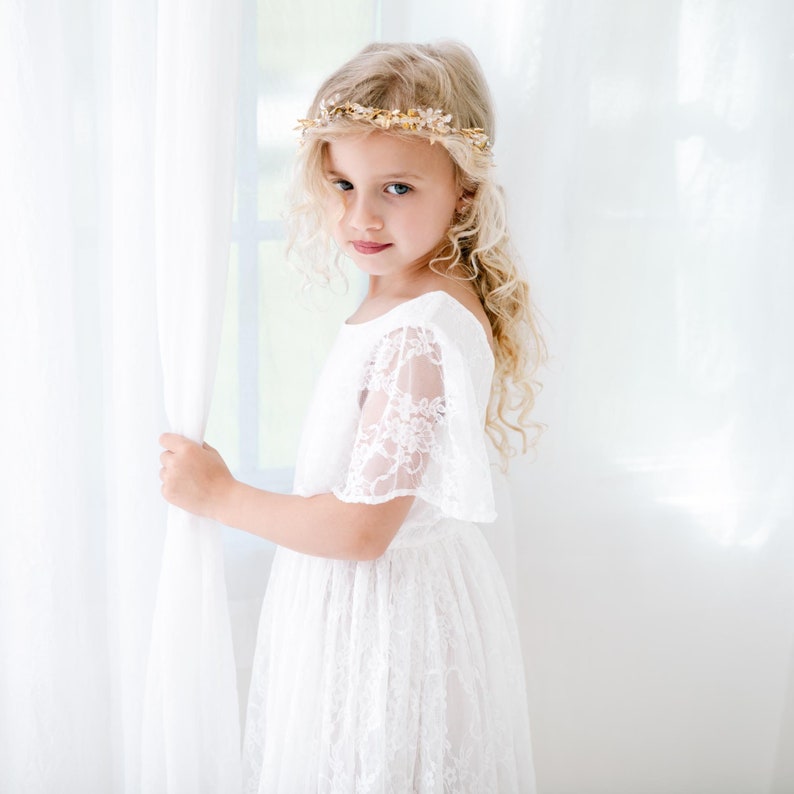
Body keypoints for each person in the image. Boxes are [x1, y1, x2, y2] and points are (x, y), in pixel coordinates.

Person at [159, 39, 545, 793]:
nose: (360, 215)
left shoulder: (417, 332)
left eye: (396, 188)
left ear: (465, 190)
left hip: (386, 622)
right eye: (342, 183)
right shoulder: (410, 295)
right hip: (390, 599)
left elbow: (362, 530)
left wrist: (219, 494)